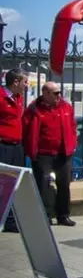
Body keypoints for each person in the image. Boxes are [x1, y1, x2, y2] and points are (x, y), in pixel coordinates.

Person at [23, 82, 78, 226]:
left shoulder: (66, 107)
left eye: (59, 92)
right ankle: (45, 215)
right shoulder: (34, 109)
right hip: (43, 153)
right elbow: (26, 127)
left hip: (63, 152)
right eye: (55, 93)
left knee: (64, 185)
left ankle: (63, 215)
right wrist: (30, 149)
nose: (59, 95)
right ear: (45, 93)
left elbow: (72, 126)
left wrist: (73, 144)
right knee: (43, 185)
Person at [1, 69, 28, 233]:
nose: (26, 85)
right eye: (24, 82)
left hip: (16, 146)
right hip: (3, 146)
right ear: (16, 82)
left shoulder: (18, 98)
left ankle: (11, 220)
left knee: (14, 183)